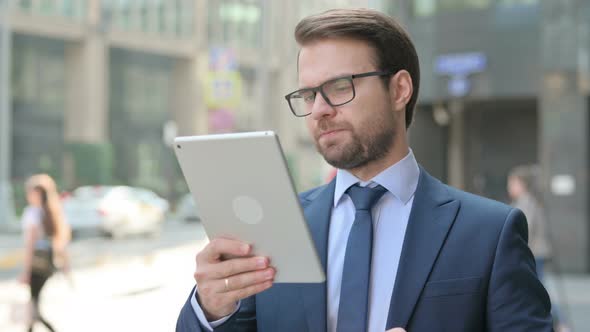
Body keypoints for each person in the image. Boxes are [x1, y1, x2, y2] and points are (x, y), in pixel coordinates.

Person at [177, 8, 553, 332]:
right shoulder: (277, 228)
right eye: (308, 95)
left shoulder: (489, 233)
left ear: (399, 89)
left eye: (339, 87)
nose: (320, 109)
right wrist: (211, 310)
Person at [508, 165, 570, 332]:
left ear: (521, 184)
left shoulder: (526, 203)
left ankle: (560, 323)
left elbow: (523, 230)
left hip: (533, 254)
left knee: (538, 290)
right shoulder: (525, 201)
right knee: (537, 289)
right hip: (535, 253)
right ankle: (559, 323)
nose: (510, 187)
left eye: (512, 183)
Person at [18, 174, 70, 332]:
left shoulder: (33, 213)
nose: (27, 195)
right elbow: (60, 244)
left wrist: (26, 271)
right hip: (47, 265)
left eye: (30, 192)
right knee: (34, 303)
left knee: (34, 305)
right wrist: (66, 266)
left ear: (37, 194)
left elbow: (30, 246)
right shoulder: (51, 213)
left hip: (36, 265)